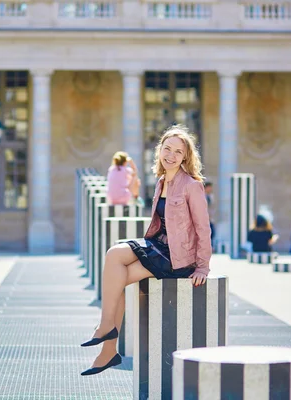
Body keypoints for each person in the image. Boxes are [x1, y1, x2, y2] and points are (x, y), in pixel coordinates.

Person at [80, 124, 212, 376]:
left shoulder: (191, 185)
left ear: (186, 156)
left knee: (119, 278)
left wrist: (203, 266)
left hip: (176, 258)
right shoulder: (162, 181)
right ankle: (108, 339)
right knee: (114, 254)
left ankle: (107, 344)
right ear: (159, 150)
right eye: (167, 149)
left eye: (177, 152)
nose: (171, 155)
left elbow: (203, 228)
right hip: (158, 245)